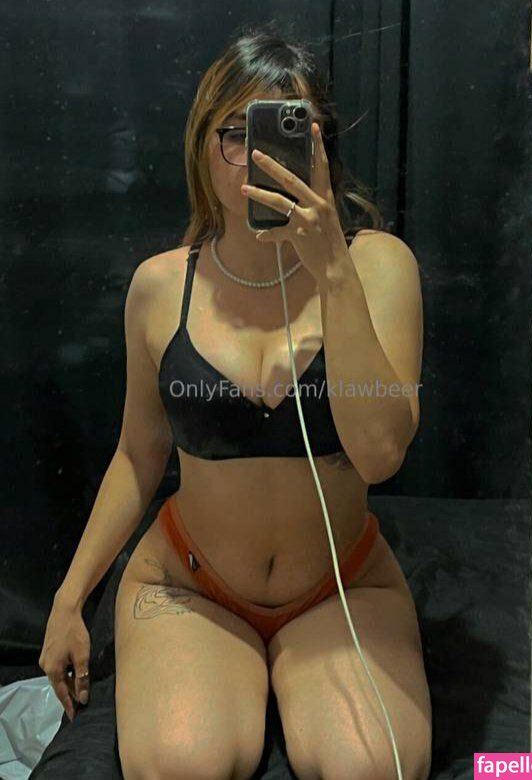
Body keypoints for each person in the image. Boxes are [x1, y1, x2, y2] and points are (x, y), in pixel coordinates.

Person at [38, 26, 432, 780]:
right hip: (190, 585)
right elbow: (138, 453)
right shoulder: (161, 286)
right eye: (235, 132)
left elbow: (381, 455)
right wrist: (68, 598)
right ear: (202, 146)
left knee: (372, 769)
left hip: (342, 584)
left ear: (321, 146)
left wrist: (331, 269)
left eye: (286, 130)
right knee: (181, 765)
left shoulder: (376, 266)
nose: (256, 155)